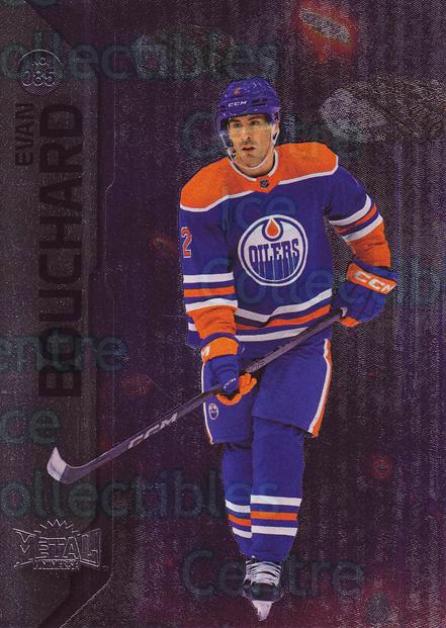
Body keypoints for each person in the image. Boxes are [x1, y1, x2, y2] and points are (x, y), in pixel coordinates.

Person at [178, 77, 396, 621]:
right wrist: (222, 355)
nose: (246, 136)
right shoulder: (204, 194)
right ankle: (252, 552)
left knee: (278, 433)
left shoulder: (316, 167)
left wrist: (371, 279)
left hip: (302, 338)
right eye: (235, 126)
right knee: (237, 444)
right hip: (235, 341)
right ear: (224, 134)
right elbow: (207, 288)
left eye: (256, 123)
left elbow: (366, 228)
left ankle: (267, 563)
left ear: (275, 126)